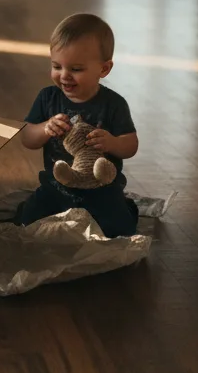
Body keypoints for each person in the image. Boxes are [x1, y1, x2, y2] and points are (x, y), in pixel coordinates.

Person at [15, 13, 140, 238]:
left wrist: (112, 143)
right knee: (27, 223)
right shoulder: (47, 98)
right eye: (56, 66)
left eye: (76, 69)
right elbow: (26, 137)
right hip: (56, 186)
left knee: (119, 231)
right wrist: (44, 128)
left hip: (102, 189)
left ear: (103, 69)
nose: (64, 76)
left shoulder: (114, 104)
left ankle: (126, 207)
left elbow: (130, 145)